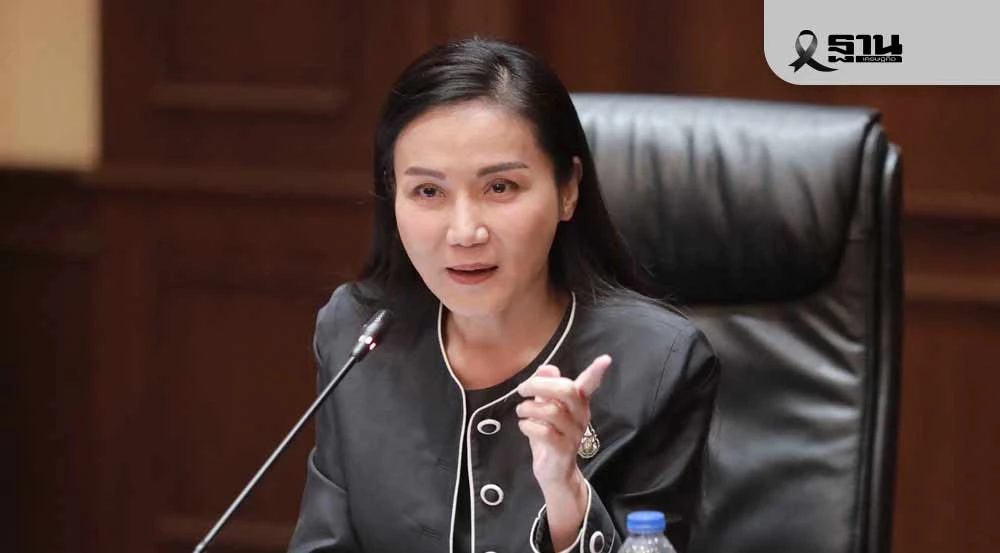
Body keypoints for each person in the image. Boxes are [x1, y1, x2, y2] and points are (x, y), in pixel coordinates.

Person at [288, 37, 719, 553]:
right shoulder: (357, 333)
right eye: (428, 191)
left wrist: (567, 496)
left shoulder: (658, 362)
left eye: (500, 188)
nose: (464, 232)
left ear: (568, 189)